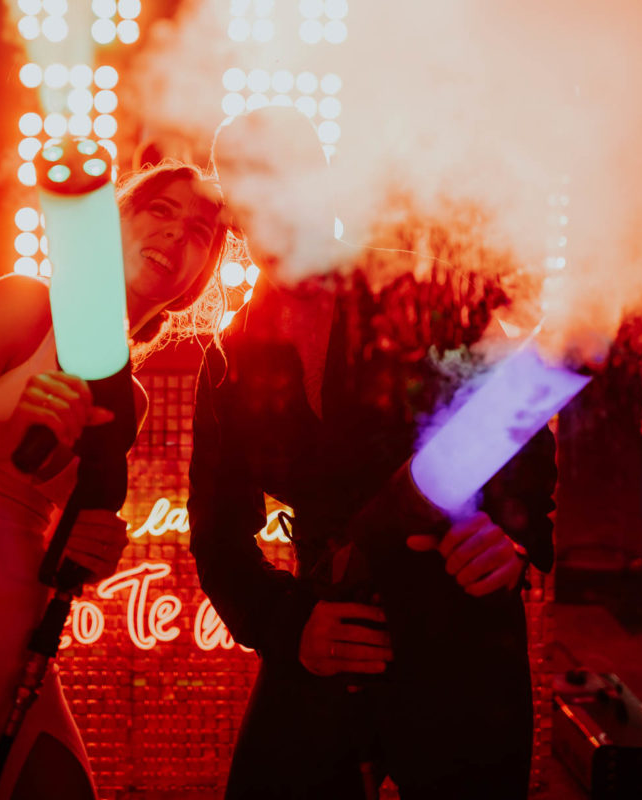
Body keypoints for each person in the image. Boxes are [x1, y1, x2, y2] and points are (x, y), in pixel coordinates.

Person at [188, 108, 557, 800]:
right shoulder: (230, 358)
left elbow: (520, 423)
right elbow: (215, 537)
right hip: (327, 626)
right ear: (232, 218)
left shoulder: (424, 294)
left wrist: (511, 536)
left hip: (463, 643)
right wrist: (290, 626)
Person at [0, 158, 227, 800]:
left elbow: (39, 519)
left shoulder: (131, 403)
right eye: (161, 210)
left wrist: (84, 550)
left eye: (201, 232)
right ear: (113, 222)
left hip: (5, 661)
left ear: (199, 279)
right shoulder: (23, 306)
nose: (179, 235)